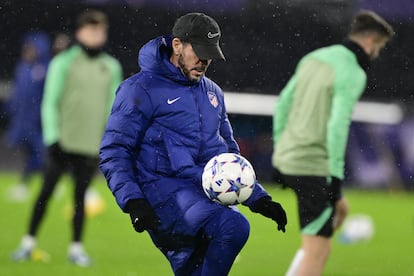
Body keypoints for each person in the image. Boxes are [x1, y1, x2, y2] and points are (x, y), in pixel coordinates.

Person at [100, 12, 287, 276]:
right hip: (162, 202)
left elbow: (227, 157)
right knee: (232, 227)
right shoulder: (139, 89)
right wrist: (134, 202)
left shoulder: (213, 93)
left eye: (210, 54)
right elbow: (115, 150)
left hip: (203, 199)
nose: (205, 61)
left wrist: (258, 198)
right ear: (177, 45)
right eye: (199, 51)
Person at [271, 10, 394, 276]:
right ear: (372, 41)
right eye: (380, 47)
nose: (378, 53)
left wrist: (280, 151)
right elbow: (337, 127)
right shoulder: (353, 73)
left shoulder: (314, 58)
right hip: (312, 166)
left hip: (289, 159)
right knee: (318, 251)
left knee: (327, 230)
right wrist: (335, 184)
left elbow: (282, 105)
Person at [12, 10, 123, 266]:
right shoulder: (63, 62)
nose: (96, 35)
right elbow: (50, 102)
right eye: (91, 30)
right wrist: (53, 138)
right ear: (80, 32)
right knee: (45, 194)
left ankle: (76, 248)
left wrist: (107, 142)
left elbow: (111, 108)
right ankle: (27, 243)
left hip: (90, 145)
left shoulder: (112, 66)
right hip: (62, 142)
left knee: (80, 198)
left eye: (100, 31)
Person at [6, 31, 51, 202]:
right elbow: (17, 95)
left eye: (31, 47)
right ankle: (44, 182)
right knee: (30, 154)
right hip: (22, 121)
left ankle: (26, 185)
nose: (28, 50)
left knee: (39, 155)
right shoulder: (22, 67)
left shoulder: (45, 69)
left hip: (38, 123)